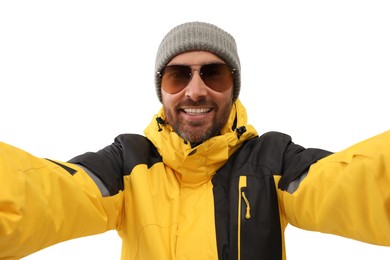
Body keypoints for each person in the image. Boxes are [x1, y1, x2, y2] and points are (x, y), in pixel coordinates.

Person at [0, 21, 389, 260]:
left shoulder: (273, 161)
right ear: (162, 90)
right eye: (178, 75)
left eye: (214, 74)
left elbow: (354, 186)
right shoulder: (127, 163)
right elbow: (44, 195)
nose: (196, 90)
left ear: (233, 88)